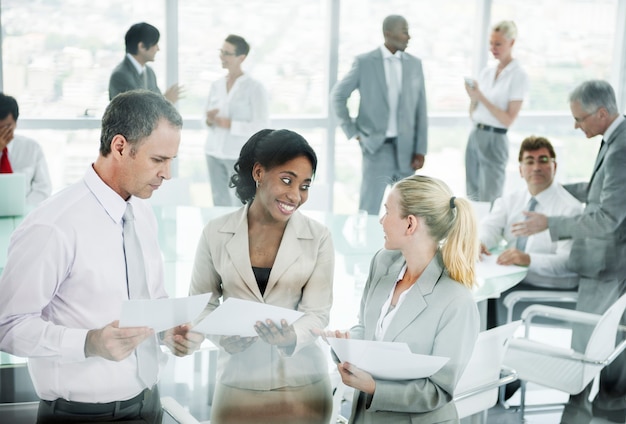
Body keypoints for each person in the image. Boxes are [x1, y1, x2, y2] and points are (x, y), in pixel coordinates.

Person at [0, 90, 203, 423]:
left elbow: (149, 298)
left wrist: (169, 331)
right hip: (81, 416)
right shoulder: (53, 225)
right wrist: (88, 343)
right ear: (120, 147)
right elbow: (6, 325)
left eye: (172, 161)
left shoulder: (142, 212)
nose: (168, 173)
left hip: (149, 403)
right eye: (158, 160)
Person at [189, 129, 334, 424]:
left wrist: (291, 336)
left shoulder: (318, 237)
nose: (295, 195)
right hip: (238, 385)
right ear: (258, 172)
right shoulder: (215, 232)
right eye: (286, 180)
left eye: (305, 185)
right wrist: (221, 336)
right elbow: (201, 304)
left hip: (303, 385)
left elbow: (317, 313)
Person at [323, 175, 480, 423]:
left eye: (387, 212)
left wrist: (375, 387)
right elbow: (367, 327)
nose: (381, 221)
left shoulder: (457, 301)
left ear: (410, 224)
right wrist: (345, 343)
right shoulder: (383, 262)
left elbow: (437, 391)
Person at [513, 80, 626, 424]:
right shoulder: (615, 140)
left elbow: (607, 218)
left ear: (602, 113)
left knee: (592, 349)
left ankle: (600, 413)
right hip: (607, 265)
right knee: (604, 345)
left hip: (608, 265)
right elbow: (599, 193)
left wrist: (551, 222)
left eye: (580, 119)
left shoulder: (621, 148)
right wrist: (556, 189)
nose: (576, 126)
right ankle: (600, 409)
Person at [480, 136, 583, 327]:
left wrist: (527, 259)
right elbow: (489, 228)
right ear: (520, 170)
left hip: (545, 292)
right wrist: (480, 242)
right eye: (529, 161)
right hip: (509, 284)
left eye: (543, 160)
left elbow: (568, 263)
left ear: (555, 166)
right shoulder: (510, 200)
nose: (536, 167)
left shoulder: (570, 209)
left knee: (483, 309)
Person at [331, 15, 428, 216]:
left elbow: (421, 108)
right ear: (388, 33)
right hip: (375, 148)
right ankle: (365, 248)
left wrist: (421, 149)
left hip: (407, 152)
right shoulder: (365, 62)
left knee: (407, 211)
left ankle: (399, 249)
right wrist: (354, 132)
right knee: (369, 209)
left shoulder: (415, 64)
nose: (408, 37)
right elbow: (338, 96)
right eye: (404, 31)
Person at [464, 20, 529, 202]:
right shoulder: (486, 73)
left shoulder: (518, 76)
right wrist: (473, 97)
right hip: (476, 134)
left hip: (495, 138)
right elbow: (474, 113)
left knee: (490, 196)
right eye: (491, 43)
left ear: (512, 43)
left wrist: (481, 97)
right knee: (472, 193)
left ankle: (488, 230)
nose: (493, 48)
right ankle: (472, 230)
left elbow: (508, 120)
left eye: (498, 44)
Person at [204, 34, 269, 206]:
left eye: (227, 53)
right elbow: (208, 120)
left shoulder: (254, 88)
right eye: (221, 51)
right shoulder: (216, 85)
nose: (222, 56)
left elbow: (262, 126)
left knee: (240, 201)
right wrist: (210, 120)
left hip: (237, 154)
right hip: (213, 152)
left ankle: (240, 233)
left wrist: (231, 125)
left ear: (241, 57)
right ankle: (220, 233)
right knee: (218, 200)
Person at [109, 22, 182, 103]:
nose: (158, 49)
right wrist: (166, 101)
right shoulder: (120, 75)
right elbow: (135, 111)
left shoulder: (149, 72)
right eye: (155, 44)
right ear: (142, 46)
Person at [0, 93, 51, 206]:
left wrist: (21, 207)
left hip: (25, 213)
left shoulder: (32, 148)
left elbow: (43, 189)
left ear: (15, 123)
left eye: (7, 127)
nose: (2, 133)